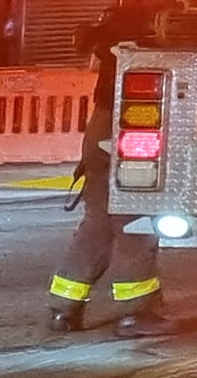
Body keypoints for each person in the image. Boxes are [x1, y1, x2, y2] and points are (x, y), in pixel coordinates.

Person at [49, 19, 164, 335]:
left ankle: (63, 310)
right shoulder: (147, 33)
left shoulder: (113, 38)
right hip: (131, 125)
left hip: (103, 126)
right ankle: (135, 312)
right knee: (135, 221)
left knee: (98, 222)